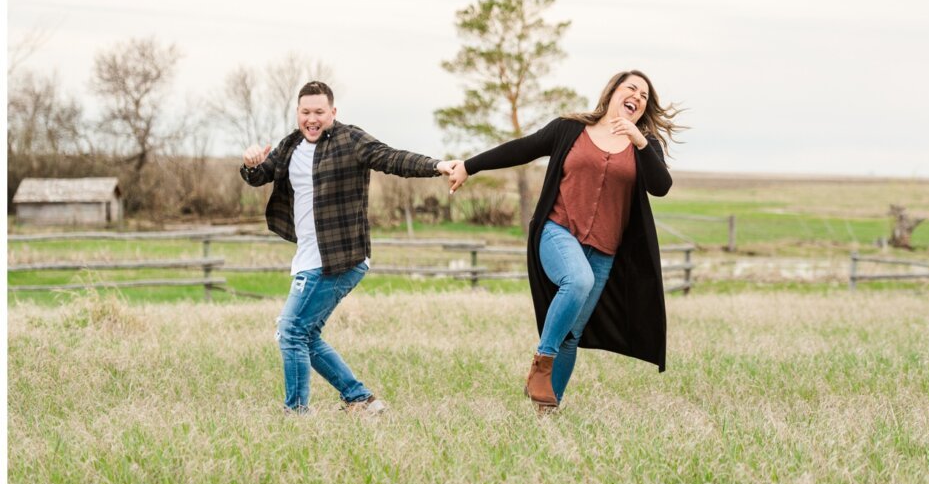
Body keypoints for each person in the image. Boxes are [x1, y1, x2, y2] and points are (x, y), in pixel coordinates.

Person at [448, 70, 681, 411]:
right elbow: (523, 148)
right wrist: (470, 166)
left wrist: (640, 141)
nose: (638, 96)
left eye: (644, 96)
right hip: (558, 232)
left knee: (572, 335)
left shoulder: (644, 147)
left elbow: (660, 186)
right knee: (577, 280)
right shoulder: (570, 129)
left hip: (604, 250)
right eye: (631, 88)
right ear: (613, 91)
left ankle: (546, 410)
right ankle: (542, 362)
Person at [240, 80, 457, 415]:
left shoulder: (350, 140)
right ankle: (360, 400)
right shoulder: (291, 144)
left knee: (291, 330)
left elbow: (391, 158)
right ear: (298, 113)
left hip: (340, 258)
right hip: (308, 257)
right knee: (305, 335)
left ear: (333, 112)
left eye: (319, 112)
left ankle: (296, 412)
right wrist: (252, 163)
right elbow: (260, 176)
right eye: (305, 112)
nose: (312, 119)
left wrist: (437, 165)